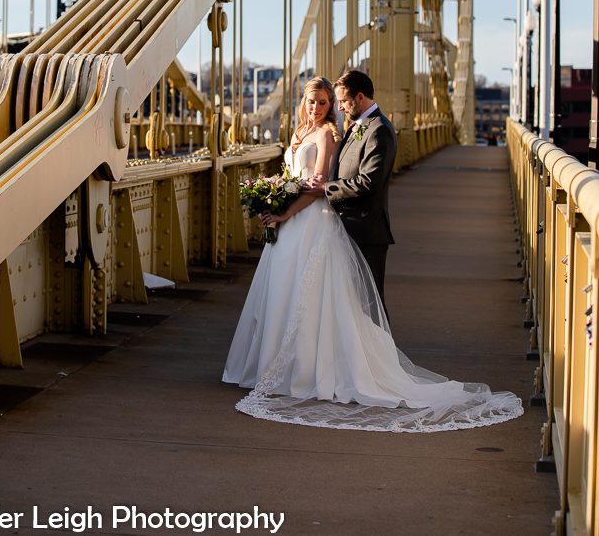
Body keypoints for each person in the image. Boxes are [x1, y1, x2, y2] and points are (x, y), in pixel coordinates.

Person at [222, 76, 523, 432]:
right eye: (315, 101)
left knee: (357, 307)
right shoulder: (332, 129)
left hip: (350, 225)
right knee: (298, 298)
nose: (330, 108)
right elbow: (299, 178)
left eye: (334, 101)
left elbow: (357, 183)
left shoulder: (369, 131)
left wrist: (292, 207)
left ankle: (359, 370)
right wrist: (275, 196)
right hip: (309, 226)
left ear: (358, 97)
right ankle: (283, 367)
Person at [304, 69, 395, 314]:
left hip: (367, 231)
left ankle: (381, 342)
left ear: (360, 97)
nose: (340, 107)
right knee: (350, 304)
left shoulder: (379, 130)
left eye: (343, 101)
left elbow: (369, 181)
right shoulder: (357, 126)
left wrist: (326, 188)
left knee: (370, 304)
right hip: (346, 226)